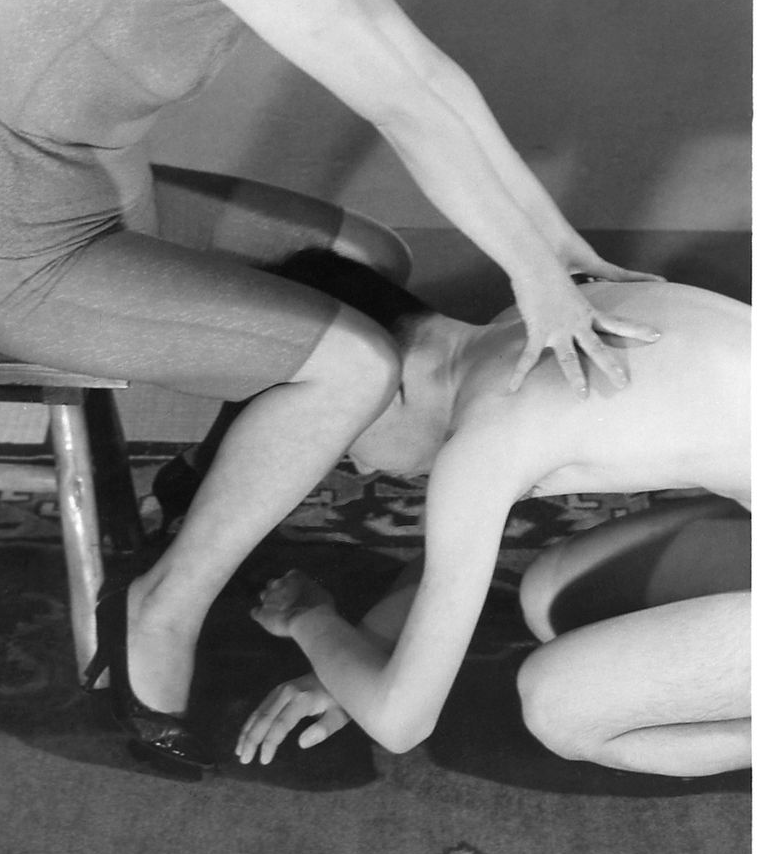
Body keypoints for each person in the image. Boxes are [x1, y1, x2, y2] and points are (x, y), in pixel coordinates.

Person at [0, 0, 660, 775]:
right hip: (24, 247)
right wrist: (532, 283)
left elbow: (427, 76)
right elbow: (402, 112)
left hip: (105, 194)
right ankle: (163, 605)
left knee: (367, 262)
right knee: (352, 364)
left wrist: (560, 252)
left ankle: (204, 494)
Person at [238, 250, 749, 778]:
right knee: (548, 593)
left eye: (338, 441)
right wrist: (354, 658)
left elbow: (400, 724)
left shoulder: (488, 440)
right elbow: (451, 556)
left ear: (376, 388)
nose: (361, 467)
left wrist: (309, 620)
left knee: (558, 707)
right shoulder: (532, 317)